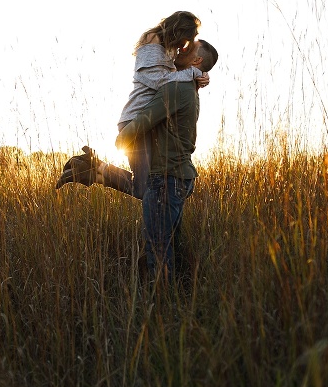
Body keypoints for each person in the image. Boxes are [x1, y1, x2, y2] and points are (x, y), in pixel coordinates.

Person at [58, 38, 220, 280]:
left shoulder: (177, 88)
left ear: (197, 61)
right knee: (170, 244)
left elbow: (144, 119)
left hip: (167, 179)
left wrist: (122, 139)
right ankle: (95, 171)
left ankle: (165, 306)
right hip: (177, 177)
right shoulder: (188, 86)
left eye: (189, 48)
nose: (181, 48)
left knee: (158, 250)